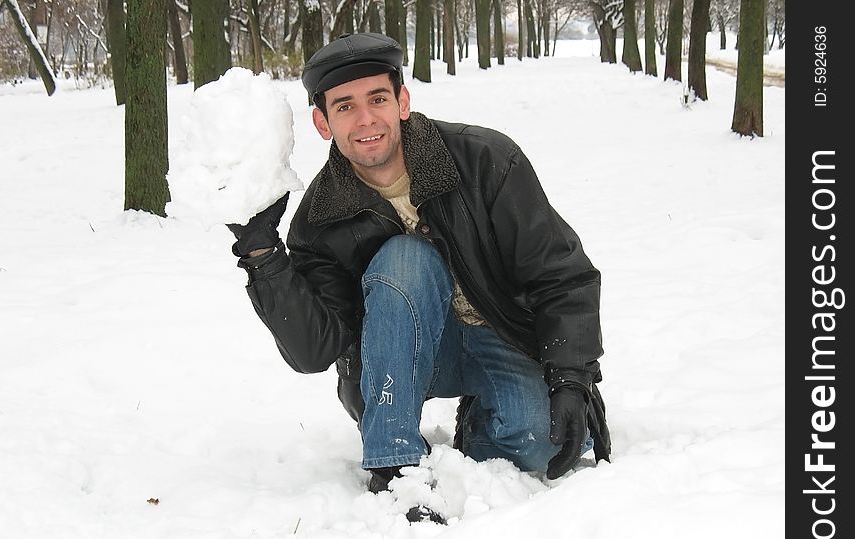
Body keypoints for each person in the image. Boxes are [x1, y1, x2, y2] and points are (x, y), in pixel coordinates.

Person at [228, 33, 611, 506]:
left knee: (542, 442)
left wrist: (570, 377)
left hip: (502, 333)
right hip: (400, 359)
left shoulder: (486, 160)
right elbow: (315, 350)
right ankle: (395, 463)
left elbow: (561, 273)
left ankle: (481, 422)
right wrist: (263, 255)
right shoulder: (319, 219)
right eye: (344, 107)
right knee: (406, 257)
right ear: (322, 122)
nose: (366, 119)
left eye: (378, 99)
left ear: (402, 101)